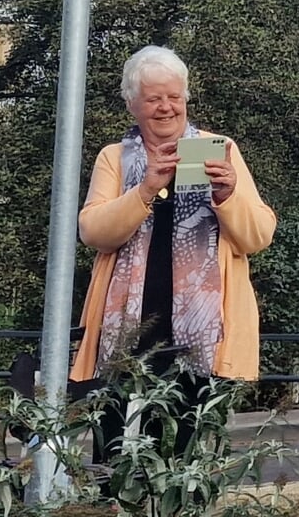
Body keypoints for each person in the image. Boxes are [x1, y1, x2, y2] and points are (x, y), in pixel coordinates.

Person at [70, 46, 276, 419]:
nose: (166, 107)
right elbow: (93, 232)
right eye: (153, 99)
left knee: (189, 453)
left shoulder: (222, 150)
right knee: (114, 448)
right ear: (133, 105)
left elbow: (258, 237)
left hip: (204, 337)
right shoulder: (114, 157)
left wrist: (228, 196)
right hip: (127, 335)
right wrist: (145, 189)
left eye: (174, 97)